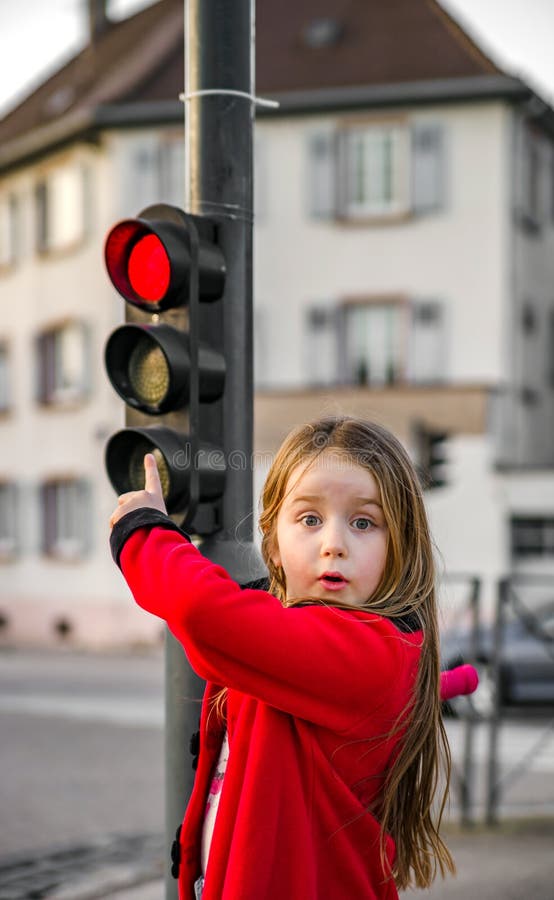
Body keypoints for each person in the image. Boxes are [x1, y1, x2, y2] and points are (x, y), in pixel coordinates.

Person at [109, 416, 458, 900]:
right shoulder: (311, 643)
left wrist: (142, 531)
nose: (334, 543)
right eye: (310, 519)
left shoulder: (362, 652)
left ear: (399, 546)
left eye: (364, 522)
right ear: (272, 540)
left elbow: (200, 611)